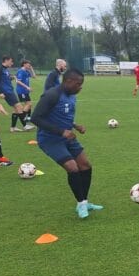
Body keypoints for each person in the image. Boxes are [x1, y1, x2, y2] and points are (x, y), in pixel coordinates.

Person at [32, 68, 103, 219]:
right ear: (68, 81)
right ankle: (81, 203)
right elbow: (36, 118)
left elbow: (62, 115)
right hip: (50, 139)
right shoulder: (52, 95)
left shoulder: (71, 96)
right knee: (72, 167)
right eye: (78, 84)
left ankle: (83, 202)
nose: (80, 87)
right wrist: (61, 132)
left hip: (68, 137)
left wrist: (75, 125)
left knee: (85, 165)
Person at [0, 55, 29, 132]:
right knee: (19, 106)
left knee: (16, 109)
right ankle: (25, 125)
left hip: (10, 90)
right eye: (11, 61)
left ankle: (13, 128)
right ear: (6, 60)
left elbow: (6, 78)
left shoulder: (5, 69)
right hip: (6, 92)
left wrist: (12, 78)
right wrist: (0, 92)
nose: (12, 63)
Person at [15, 59, 36, 129]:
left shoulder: (26, 71)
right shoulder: (21, 71)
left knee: (29, 105)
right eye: (28, 64)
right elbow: (18, 81)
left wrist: (31, 69)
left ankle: (27, 119)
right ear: (24, 64)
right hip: (21, 91)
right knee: (28, 104)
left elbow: (34, 76)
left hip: (25, 91)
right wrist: (27, 87)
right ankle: (23, 118)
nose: (29, 65)